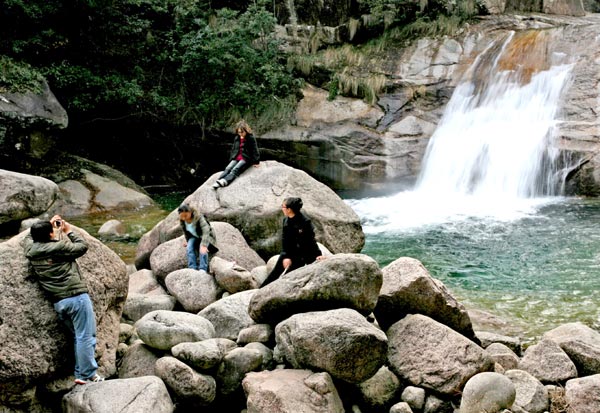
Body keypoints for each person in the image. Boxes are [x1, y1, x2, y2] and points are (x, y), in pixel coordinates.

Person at [24, 215, 104, 385]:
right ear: (51, 235)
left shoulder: (30, 251)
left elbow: (28, 237)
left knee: (78, 337)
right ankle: (88, 375)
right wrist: (68, 231)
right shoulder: (59, 247)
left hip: (59, 303)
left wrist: (46, 227)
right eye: (52, 231)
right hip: (76, 298)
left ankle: (79, 373)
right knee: (86, 337)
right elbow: (82, 247)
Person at [261, 197, 324, 286]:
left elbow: (311, 241)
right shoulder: (286, 220)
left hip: (304, 254)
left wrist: (318, 255)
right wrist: (286, 257)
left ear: (289, 209)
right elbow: (285, 240)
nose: (281, 208)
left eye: (283, 206)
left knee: (291, 279)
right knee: (274, 275)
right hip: (289, 253)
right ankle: (258, 292)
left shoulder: (305, 222)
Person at [212, 120, 260, 188]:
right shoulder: (237, 138)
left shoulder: (250, 138)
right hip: (237, 156)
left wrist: (256, 161)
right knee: (228, 168)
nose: (240, 134)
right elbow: (234, 148)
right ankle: (219, 180)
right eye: (239, 132)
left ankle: (225, 181)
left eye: (242, 132)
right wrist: (232, 157)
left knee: (235, 169)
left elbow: (255, 149)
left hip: (246, 158)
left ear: (246, 131)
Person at [178, 204, 219, 271]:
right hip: (194, 236)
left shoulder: (198, 217)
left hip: (203, 235)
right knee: (189, 248)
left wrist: (204, 245)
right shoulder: (182, 221)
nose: (184, 218)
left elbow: (206, 231)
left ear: (190, 212)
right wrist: (188, 241)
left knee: (202, 248)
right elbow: (186, 232)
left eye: (185, 216)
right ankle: (192, 267)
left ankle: (203, 268)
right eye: (182, 216)